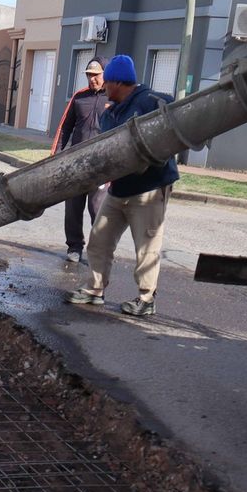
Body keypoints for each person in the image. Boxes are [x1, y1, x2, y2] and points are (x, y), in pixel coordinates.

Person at [67, 53, 178, 318]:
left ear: (117, 82)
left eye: (107, 83)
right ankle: (94, 290)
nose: (103, 88)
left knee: (147, 246)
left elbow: (175, 111)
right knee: (99, 239)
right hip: (118, 188)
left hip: (149, 188)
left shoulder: (150, 101)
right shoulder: (111, 112)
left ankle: (146, 299)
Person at [52, 58, 109, 264]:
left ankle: (99, 250)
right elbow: (64, 128)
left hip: (102, 165)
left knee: (98, 209)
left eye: (96, 75)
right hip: (76, 164)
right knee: (73, 208)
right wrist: (56, 156)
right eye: (89, 75)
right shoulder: (79, 97)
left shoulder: (113, 98)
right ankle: (74, 246)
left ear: (105, 74)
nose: (92, 79)